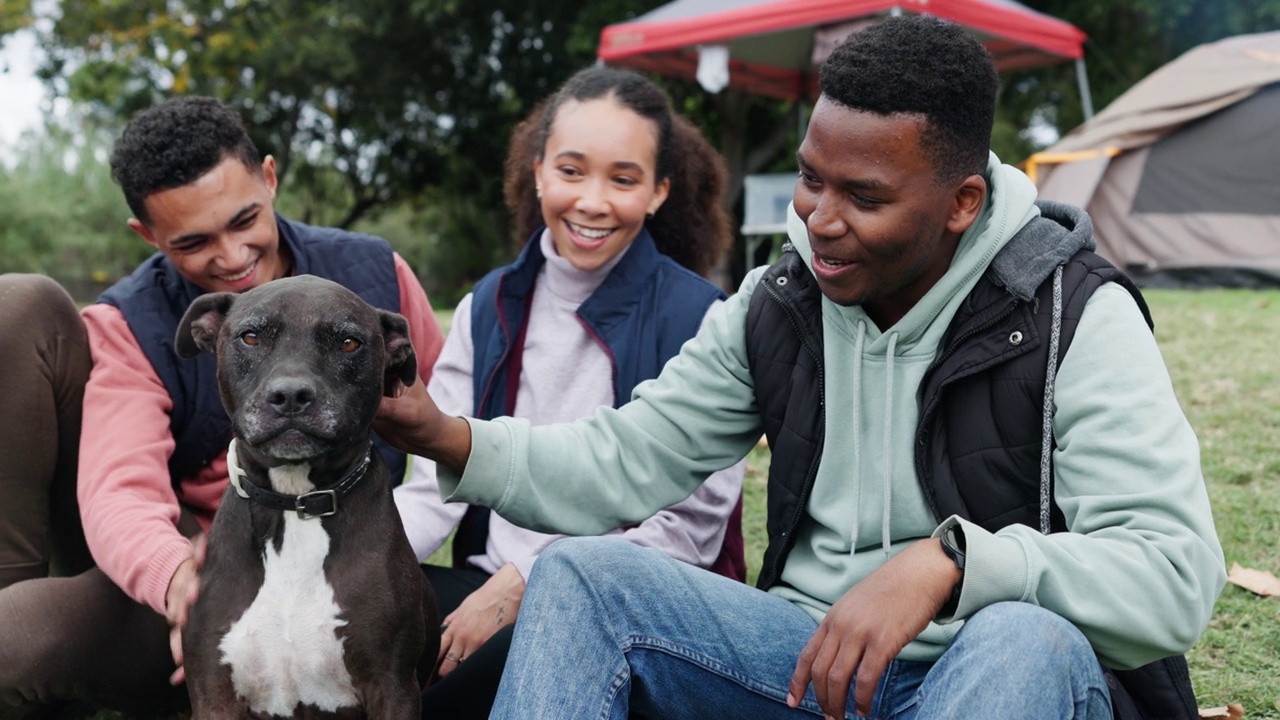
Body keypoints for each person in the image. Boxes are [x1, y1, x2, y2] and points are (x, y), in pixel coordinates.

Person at [376, 15, 1227, 720]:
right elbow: (625, 459)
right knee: (582, 574)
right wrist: (449, 437)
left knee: (1024, 638)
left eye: (864, 196)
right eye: (811, 180)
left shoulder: (1074, 311)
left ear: (962, 203)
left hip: (996, 680)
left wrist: (955, 566)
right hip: (802, 664)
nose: (820, 219)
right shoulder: (781, 300)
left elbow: (1173, 573)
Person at [0, 96, 445, 717]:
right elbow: (119, 489)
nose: (232, 257)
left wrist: (376, 566)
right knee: (12, 639)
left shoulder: (374, 274)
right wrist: (181, 581)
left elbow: (449, 438)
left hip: (359, 543)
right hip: (215, 562)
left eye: (244, 221)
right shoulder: (134, 322)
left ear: (268, 178)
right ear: (147, 236)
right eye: (193, 241)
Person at [392, 66, 746, 718]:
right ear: (537, 171)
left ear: (660, 191)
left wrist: (528, 582)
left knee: (453, 690)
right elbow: (429, 488)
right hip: (483, 578)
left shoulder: (701, 318)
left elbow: (689, 529)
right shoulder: (489, 304)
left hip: (629, 605)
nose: (591, 201)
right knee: (361, 629)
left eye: (623, 178)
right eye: (572, 170)